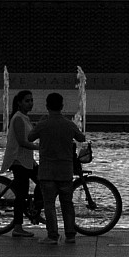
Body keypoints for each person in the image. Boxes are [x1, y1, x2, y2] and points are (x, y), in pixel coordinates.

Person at [32, 90, 88, 244]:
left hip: (47, 171)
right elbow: (81, 138)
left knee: (49, 205)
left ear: (47, 106)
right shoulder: (68, 124)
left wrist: (40, 124)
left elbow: (30, 137)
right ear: (62, 106)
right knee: (67, 203)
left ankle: (52, 236)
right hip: (65, 171)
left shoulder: (43, 124)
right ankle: (70, 235)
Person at [1, 89, 37, 237]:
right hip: (18, 160)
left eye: (31, 100)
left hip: (26, 160)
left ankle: (35, 208)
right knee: (21, 194)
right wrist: (40, 147)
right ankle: (17, 227)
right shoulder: (18, 118)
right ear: (19, 103)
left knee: (43, 180)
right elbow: (22, 142)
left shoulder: (24, 117)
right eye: (27, 101)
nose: (30, 103)